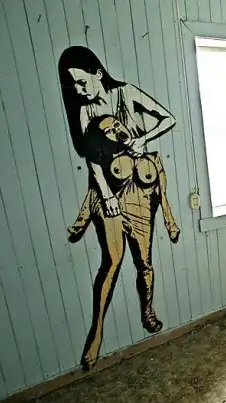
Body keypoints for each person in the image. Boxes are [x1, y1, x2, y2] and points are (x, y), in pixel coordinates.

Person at [58, 46, 180, 370]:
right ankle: (96, 333)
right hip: (109, 190)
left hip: (138, 190)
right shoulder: (85, 112)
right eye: (74, 86)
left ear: (98, 73)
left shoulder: (126, 94)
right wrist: (107, 196)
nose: (79, 91)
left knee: (144, 262)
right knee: (112, 261)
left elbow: (169, 118)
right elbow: (92, 161)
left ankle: (147, 310)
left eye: (82, 82)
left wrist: (144, 139)